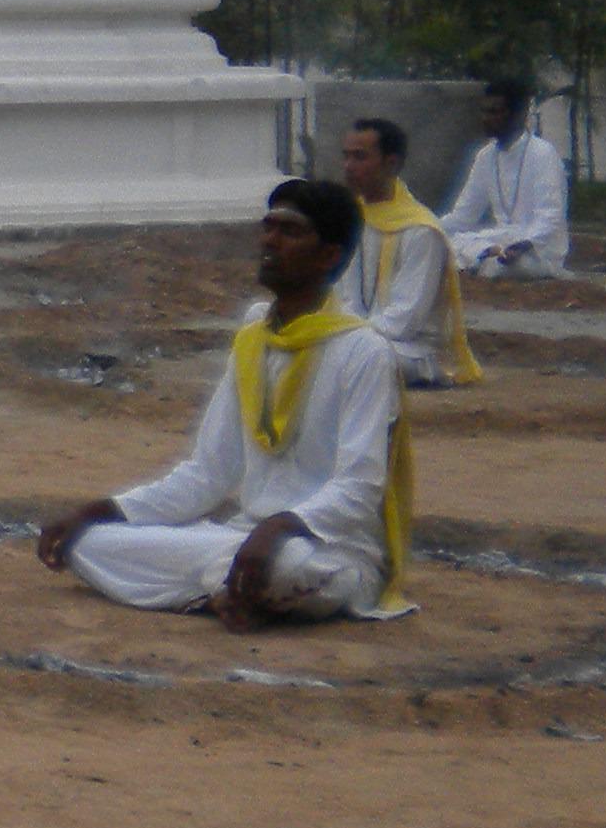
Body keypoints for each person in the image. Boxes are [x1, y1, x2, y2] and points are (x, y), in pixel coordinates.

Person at [34, 178, 416, 629]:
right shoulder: (253, 338)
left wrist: (278, 527)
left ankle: (229, 584)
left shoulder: (364, 350)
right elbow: (207, 472)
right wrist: (100, 511)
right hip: (244, 540)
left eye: (290, 232)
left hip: (327, 547)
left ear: (328, 255)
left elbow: (359, 488)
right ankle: (230, 586)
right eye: (268, 227)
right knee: (89, 542)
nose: (270, 241)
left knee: (289, 567)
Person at [335, 117, 479, 390]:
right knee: (261, 317)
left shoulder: (421, 230)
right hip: (352, 338)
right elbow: (341, 297)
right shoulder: (350, 217)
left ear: (391, 163)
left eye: (360, 157)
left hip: (406, 350)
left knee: (363, 356)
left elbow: (404, 320)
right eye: (346, 156)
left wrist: (341, 336)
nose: (348, 166)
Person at [441, 79, 570, 278]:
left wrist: (523, 245)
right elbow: (463, 216)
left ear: (518, 115)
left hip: (536, 250)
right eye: (484, 111)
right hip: (500, 243)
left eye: (493, 112)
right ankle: (486, 257)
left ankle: (481, 261)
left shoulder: (543, 153)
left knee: (518, 264)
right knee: (445, 243)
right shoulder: (485, 156)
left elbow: (550, 216)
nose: (485, 118)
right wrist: (427, 228)